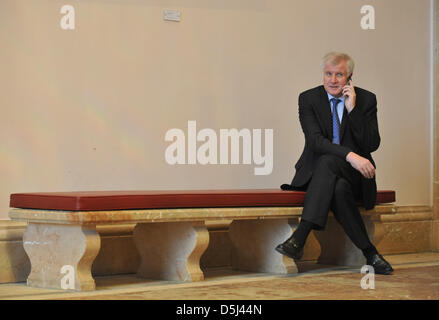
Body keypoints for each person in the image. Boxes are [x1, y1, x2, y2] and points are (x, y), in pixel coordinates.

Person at [277, 52, 393, 275]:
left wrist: (353, 110)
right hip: (323, 175)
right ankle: (371, 254)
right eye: (328, 74)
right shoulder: (308, 99)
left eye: (339, 75)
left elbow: (371, 143)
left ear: (350, 77)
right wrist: (352, 156)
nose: (332, 80)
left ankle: (300, 237)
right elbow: (315, 142)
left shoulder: (366, 99)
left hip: (357, 176)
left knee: (330, 163)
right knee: (337, 184)